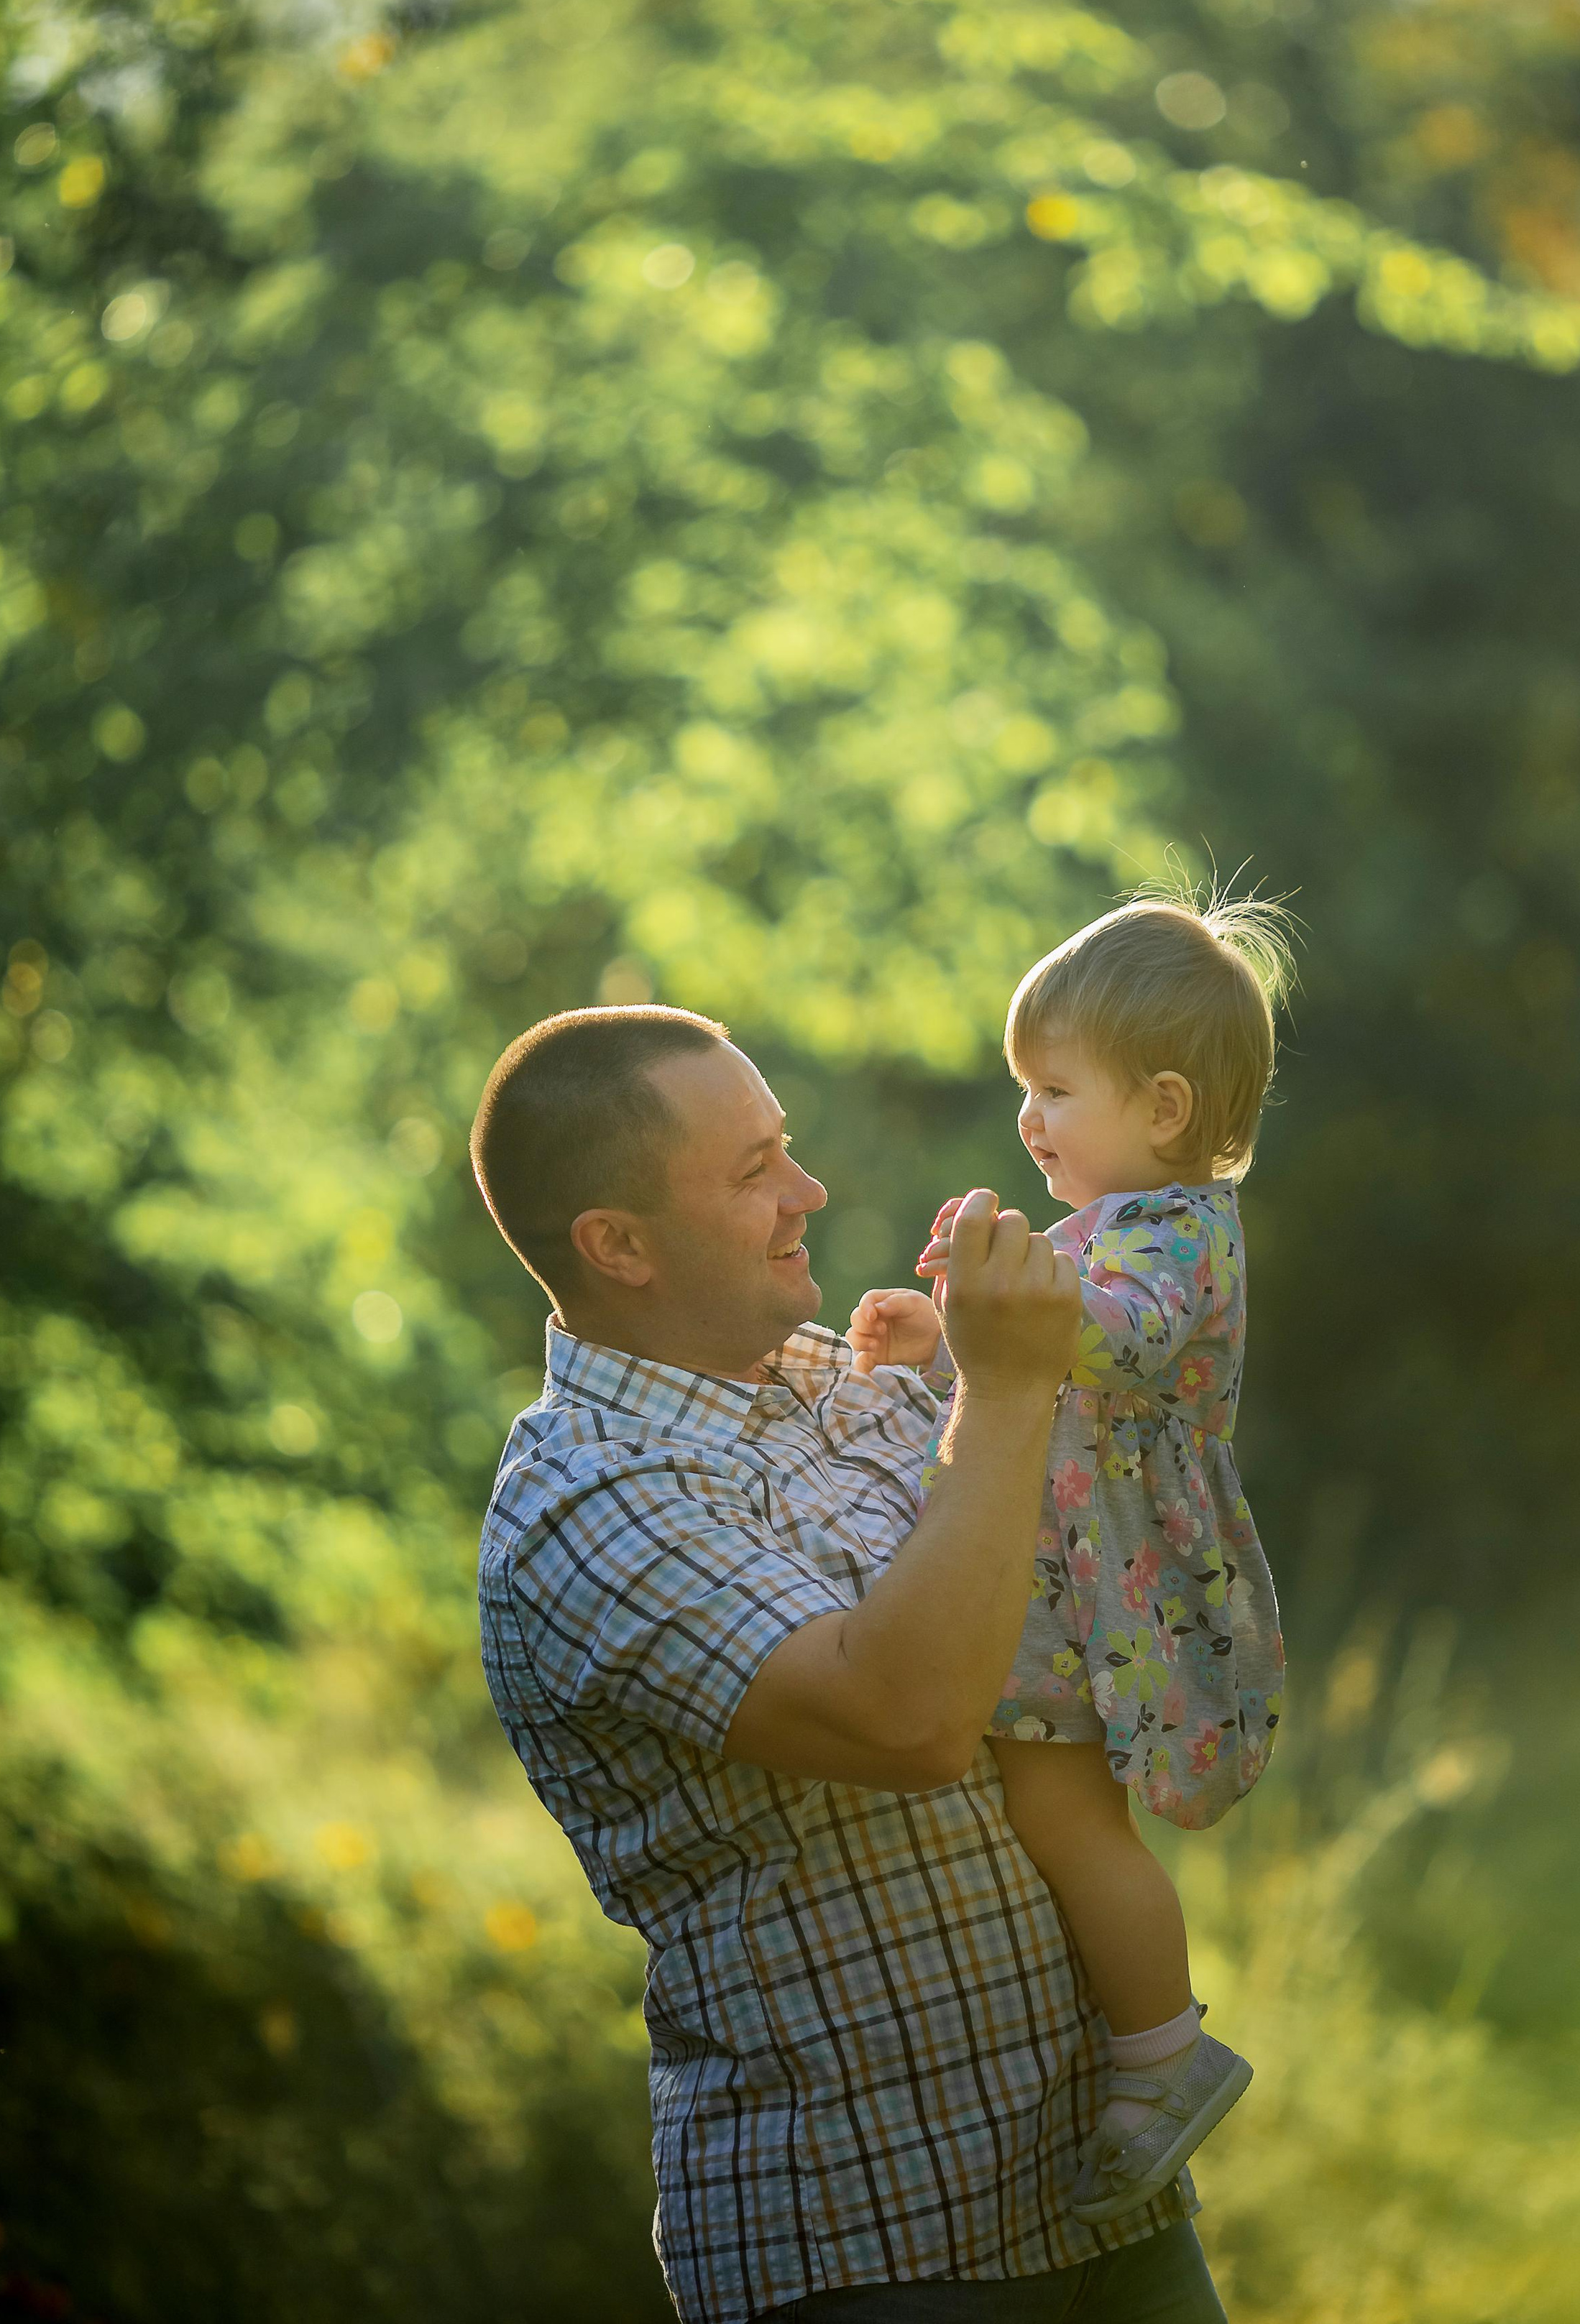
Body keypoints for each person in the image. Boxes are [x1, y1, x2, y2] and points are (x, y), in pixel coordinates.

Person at [472, 1002, 1228, 2324]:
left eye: (789, 1148)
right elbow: (908, 1721)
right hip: (866, 2241)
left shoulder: (852, 1375)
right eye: (754, 1171)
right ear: (617, 1246)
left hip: (1100, 2206)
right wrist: (1003, 1391)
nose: (808, 1193)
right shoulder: (586, 1506)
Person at [849, 897, 1292, 2223]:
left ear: (1163, 1108)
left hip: (1116, 1583)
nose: (1029, 1119)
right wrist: (944, 1341)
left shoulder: (1176, 1240)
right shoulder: (1104, 1229)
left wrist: (1010, 1298)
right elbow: (1022, 1379)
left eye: (1054, 1089)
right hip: (1067, 1568)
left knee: (1059, 1808)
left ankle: (1165, 2052)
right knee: (1039, 1803)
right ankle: (1123, 2036)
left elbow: (1109, 1344)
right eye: (1021, 1089)